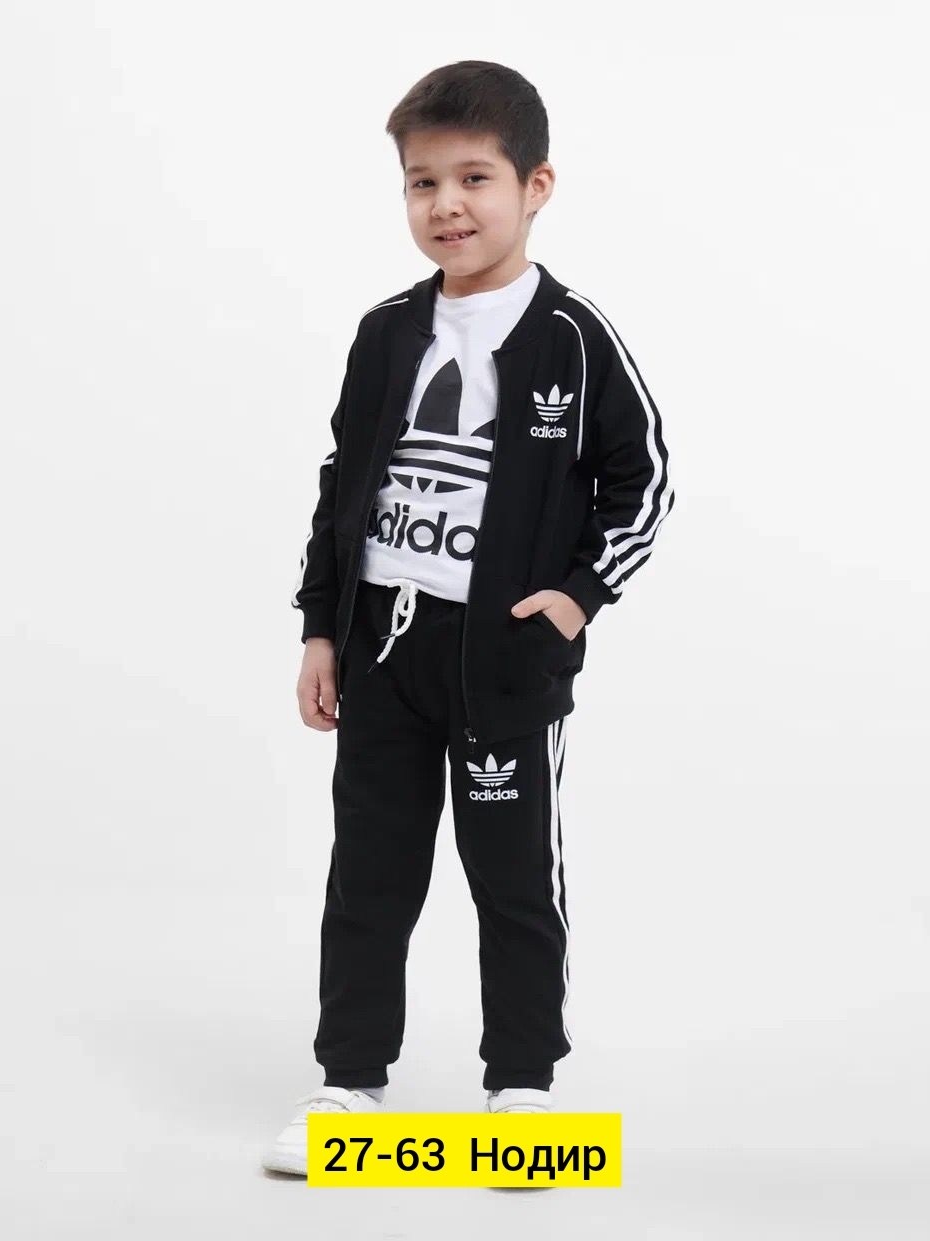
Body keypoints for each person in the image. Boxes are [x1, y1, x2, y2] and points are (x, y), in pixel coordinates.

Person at [261, 59, 674, 1176]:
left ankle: (521, 1087)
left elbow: (643, 482)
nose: (446, 204)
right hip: (383, 647)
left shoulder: (571, 336)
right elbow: (342, 485)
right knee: (370, 871)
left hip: (500, 662)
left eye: (474, 178)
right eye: (422, 182)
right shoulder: (386, 332)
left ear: (535, 186)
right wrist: (320, 628)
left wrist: (574, 598)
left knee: (512, 877)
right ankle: (350, 1081)